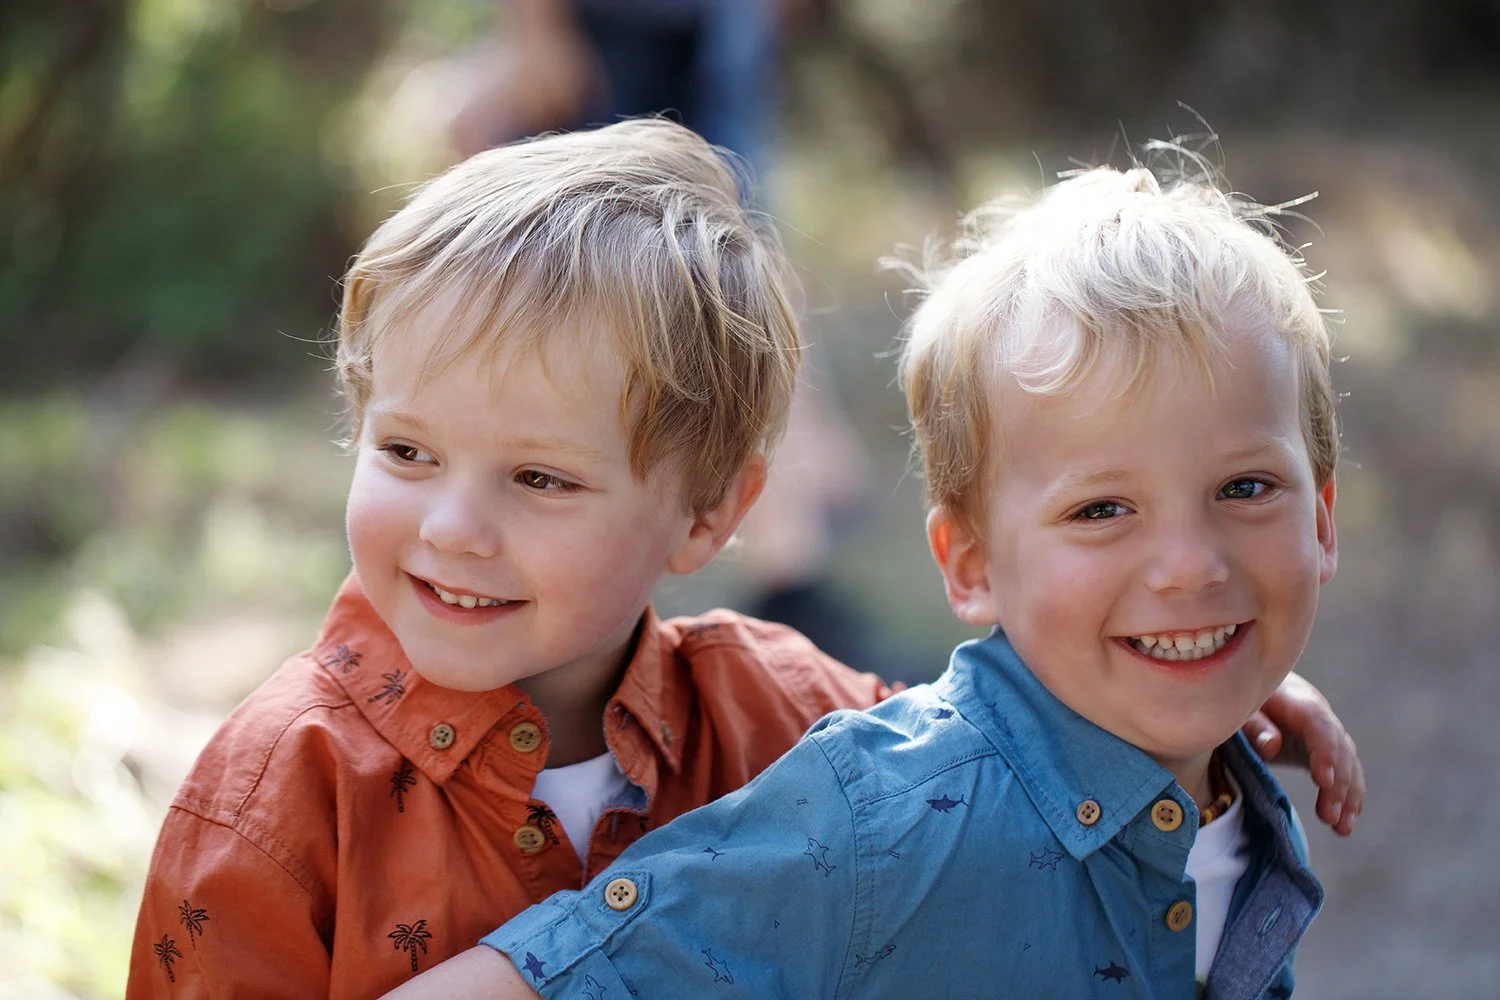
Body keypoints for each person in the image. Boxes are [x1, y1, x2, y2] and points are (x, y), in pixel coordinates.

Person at [128, 121, 1358, 997]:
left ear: (709, 515)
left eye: (540, 477)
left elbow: (1000, 749)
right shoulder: (280, 793)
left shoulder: (776, 705)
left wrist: (1202, 699)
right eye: (404, 450)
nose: (453, 525)